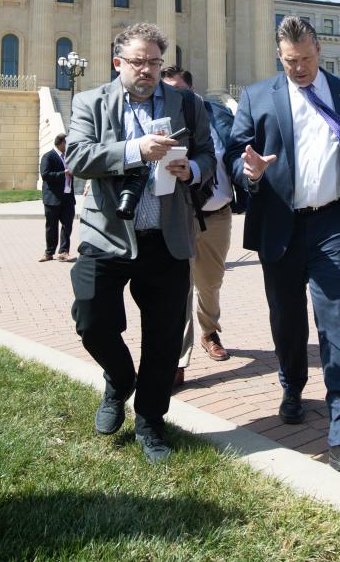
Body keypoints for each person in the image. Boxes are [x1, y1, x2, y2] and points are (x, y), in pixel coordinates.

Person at [228, 16, 340, 475]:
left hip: (334, 224)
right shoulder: (259, 97)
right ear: (280, 55)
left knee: (337, 322)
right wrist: (250, 171)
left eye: (306, 59)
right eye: (290, 61)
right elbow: (235, 156)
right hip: (280, 224)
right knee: (287, 319)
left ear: (319, 49)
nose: (299, 69)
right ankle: (293, 383)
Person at [64, 23, 215, 463]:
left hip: (166, 238)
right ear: (118, 63)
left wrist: (196, 169)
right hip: (107, 234)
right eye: (137, 62)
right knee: (91, 319)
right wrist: (135, 151)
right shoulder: (90, 102)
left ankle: (151, 423)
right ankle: (118, 377)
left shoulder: (186, 103)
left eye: (154, 62)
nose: (146, 70)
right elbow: (77, 157)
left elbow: (207, 152)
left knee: (165, 339)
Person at [161, 66, 248, 388]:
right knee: (179, 288)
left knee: (210, 283)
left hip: (217, 213)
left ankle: (209, 331)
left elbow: (235, 154)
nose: (173, 99)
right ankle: (177, 360)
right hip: (177, 216)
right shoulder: (160, 122)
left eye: (179, 92)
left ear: (193, 92)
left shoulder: (219, 116)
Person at [39, 134, 77, 262]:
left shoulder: (68, 157)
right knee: (52, 226)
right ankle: (49, 253)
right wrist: (64, 173)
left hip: (68, 197)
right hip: (53, 198)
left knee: (67, 225)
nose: (69, 146)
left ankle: (64, 252)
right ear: (61, 143)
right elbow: (45, 175)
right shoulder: (48, 156)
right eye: (67, 143)